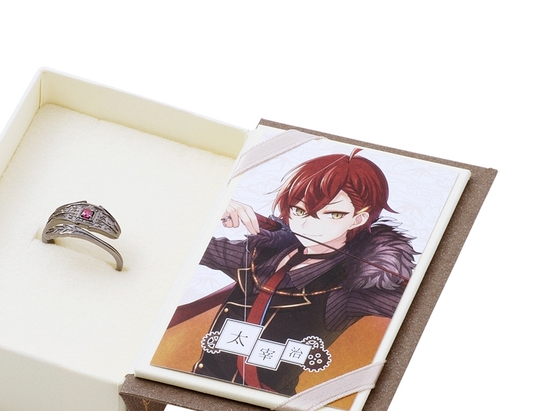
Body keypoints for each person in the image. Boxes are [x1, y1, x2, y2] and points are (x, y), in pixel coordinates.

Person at [177, 149, 417, 397]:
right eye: (300, 211)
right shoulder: (260, 255)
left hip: (265, 405)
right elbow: (185, 245)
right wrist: (214, 208)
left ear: (358, 219)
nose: (308, 225)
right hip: (196, 387)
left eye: (333, 214)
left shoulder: (352, 285)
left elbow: (421, 305)